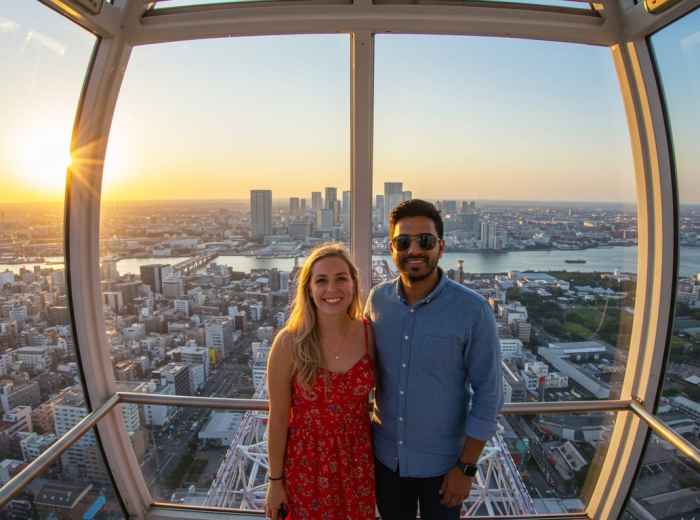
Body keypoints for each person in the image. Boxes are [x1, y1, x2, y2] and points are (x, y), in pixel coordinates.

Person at [365, 199, 504, 520]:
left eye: (425, 241)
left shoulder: (472, 310)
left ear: (440, 247)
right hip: (387, 462)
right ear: (391, 248)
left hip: (444, 468)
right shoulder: (377, 300)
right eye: (403, 242)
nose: (414, 250)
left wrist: (466, 468)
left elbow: (489, 395)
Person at [265, 243, 376, 520]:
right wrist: (275, 482)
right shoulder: (289, 343)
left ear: (353, 283)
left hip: (359, 462)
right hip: (306, 463)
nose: (332, 290)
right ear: (309, 289)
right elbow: (278, 418)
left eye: (341, 278)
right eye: (321, 281)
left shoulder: (370, 335)